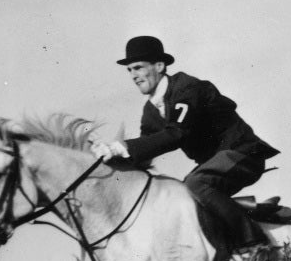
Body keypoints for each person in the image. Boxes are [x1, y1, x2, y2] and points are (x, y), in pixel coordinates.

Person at [93, 35, 281, 249]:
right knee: (183, 196)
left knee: (195, 184)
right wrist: (106, 159)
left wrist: (122, 147)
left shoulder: (186, 89)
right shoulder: (151, 111)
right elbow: (147, 148)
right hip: (217, 164)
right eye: (129, 70)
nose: (133, 76)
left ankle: (256, 243)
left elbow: (177, 134)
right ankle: (251, 210)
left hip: (244, 154)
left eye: (137, 68)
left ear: (160, 65)